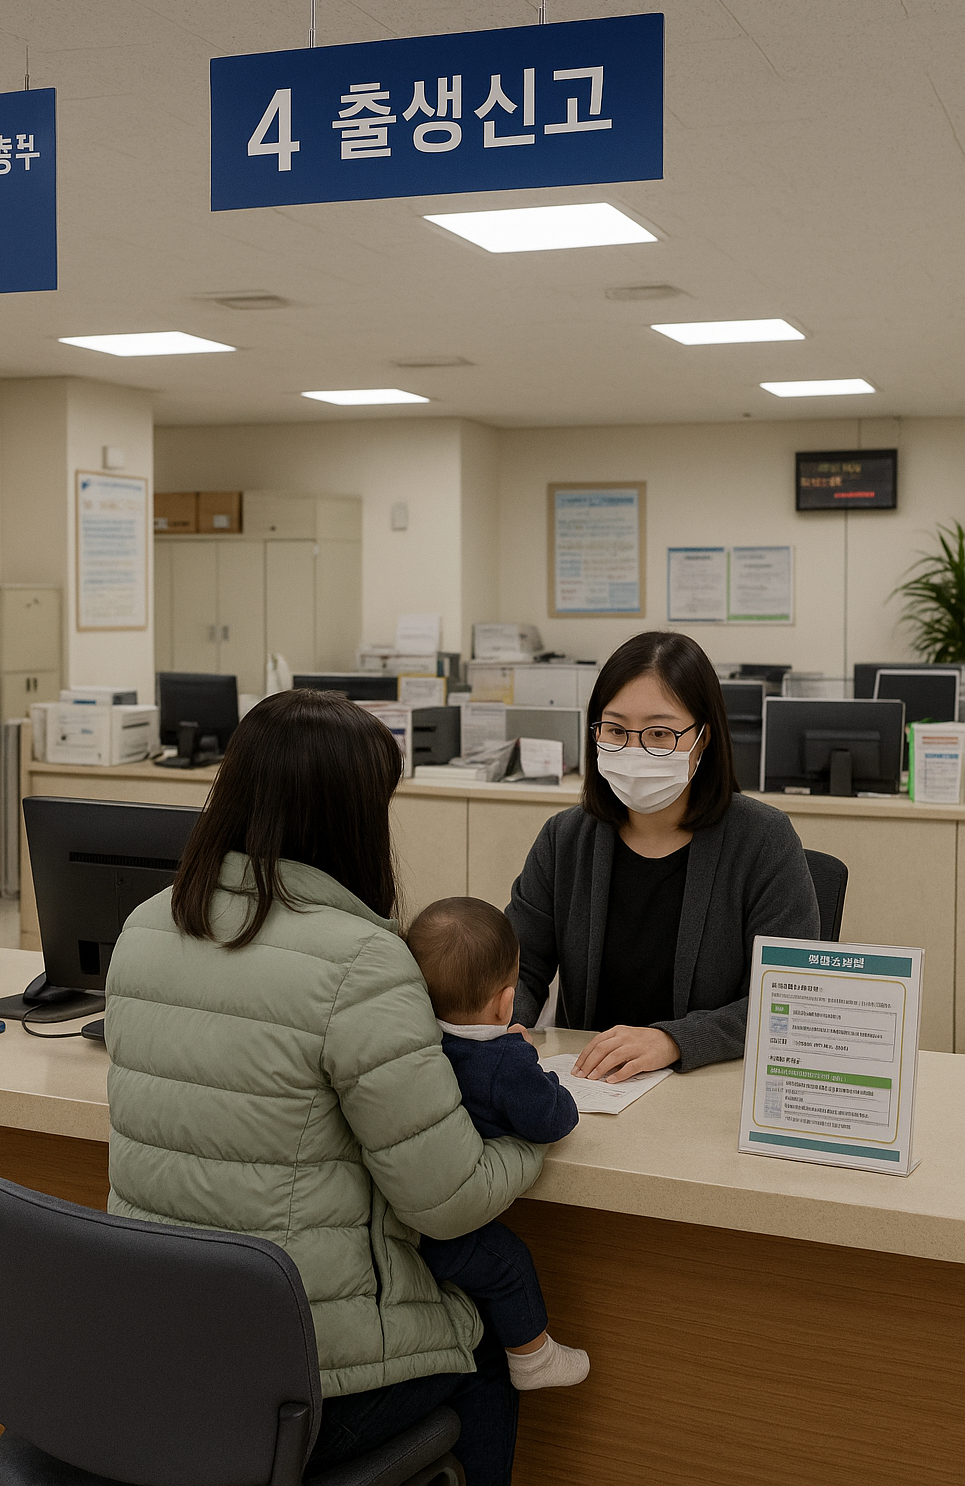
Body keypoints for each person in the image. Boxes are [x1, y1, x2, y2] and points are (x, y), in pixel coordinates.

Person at [103, 689, 547, 1486]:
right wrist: (531, 1140)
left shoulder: (144, 925)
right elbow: (446, 1201)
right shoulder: (362, 962)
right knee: (486, 1355)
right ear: (352, 818)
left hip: (156, 1353)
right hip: (301, 1383)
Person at [507, 630, 820, 1080]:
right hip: (589, 1083)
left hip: (708, 1086)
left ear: (703, 737)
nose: (634, 750)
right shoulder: (565, 838)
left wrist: (675, 1040)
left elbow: (787, 997)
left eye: (659, 733)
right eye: (616, 730)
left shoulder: (763, 840)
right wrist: (503, 1023)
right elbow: (519, 967)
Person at [407, 896, 588, 1392]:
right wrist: (535, 1067)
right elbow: (555, 1119)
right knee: (509, 1264)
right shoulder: (505, 1062)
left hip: (405, 1222)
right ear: (507, 1002)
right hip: (451, 1231)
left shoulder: (416, 1045)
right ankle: (533, 1359)